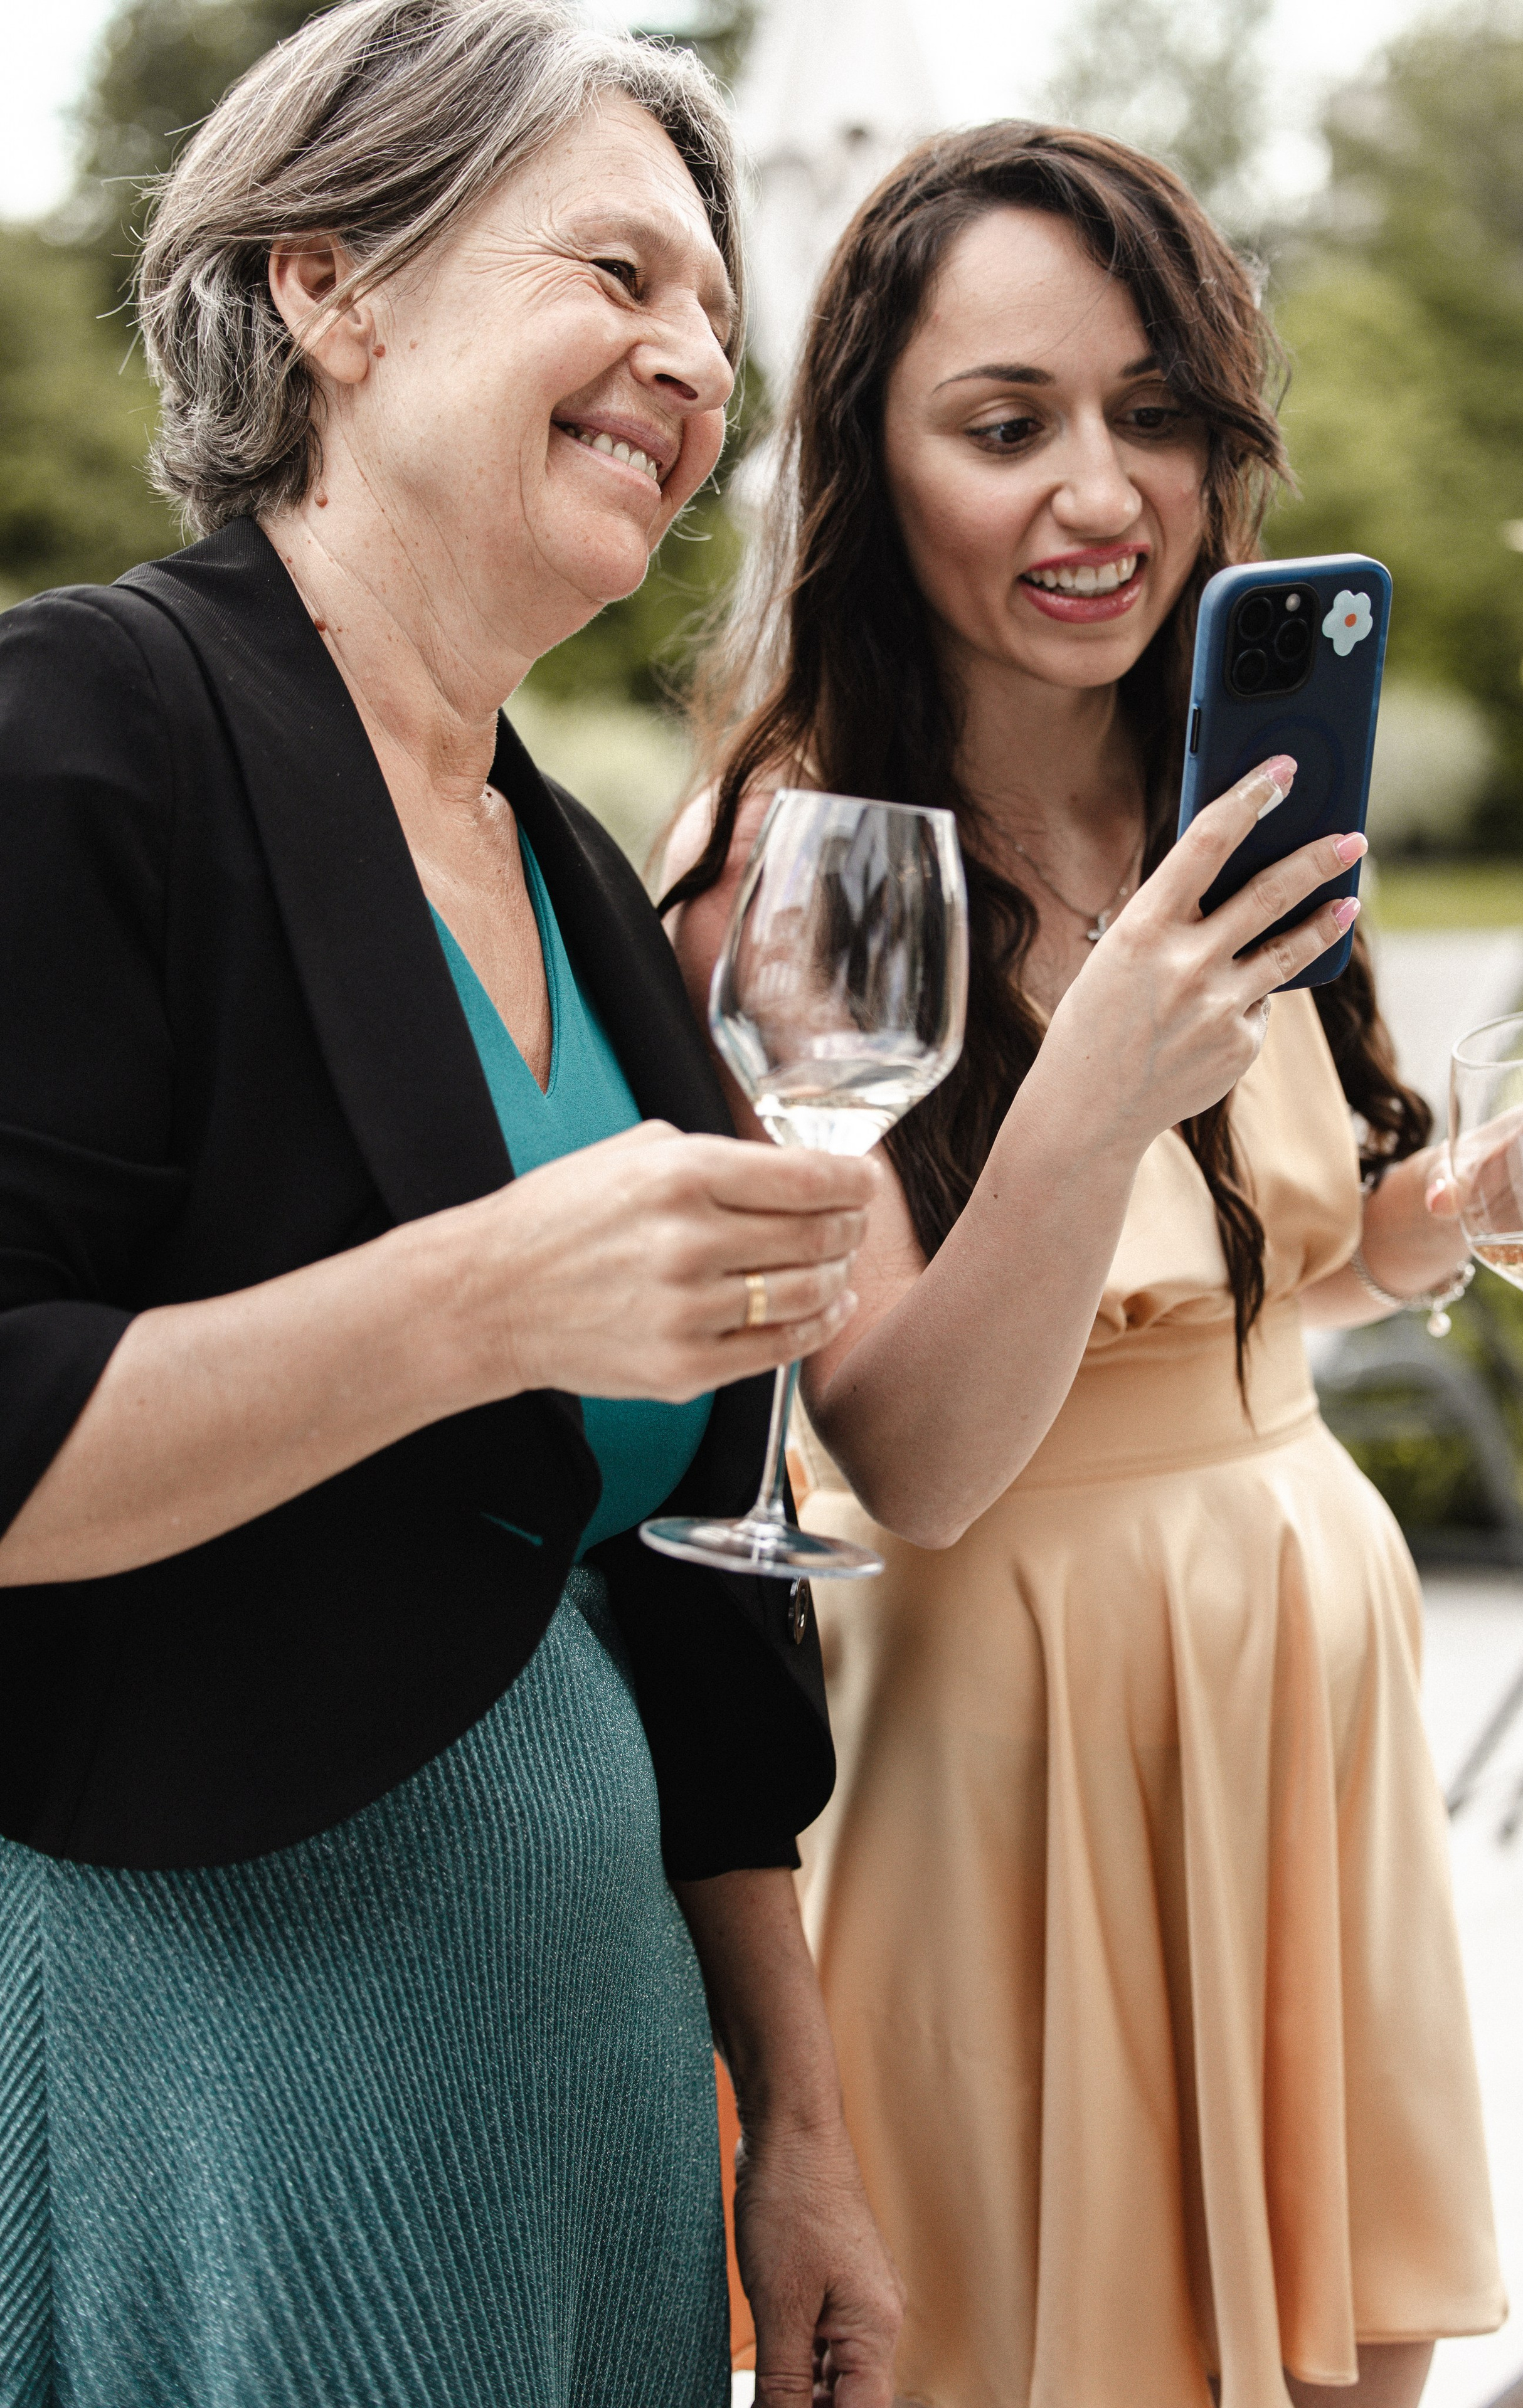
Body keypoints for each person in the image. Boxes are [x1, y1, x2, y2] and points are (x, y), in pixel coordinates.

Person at [0, 5, 906, 2402]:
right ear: (332, 284)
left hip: (598, 2096)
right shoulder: (82, 731)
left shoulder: (578, 872)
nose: (692, 359)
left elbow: (701, 1596)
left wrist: (800, 2120)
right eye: (617, 272)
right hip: (235, 2080)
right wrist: (485, 1298)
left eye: (713, 312)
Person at [667, 122, 1504, 2408]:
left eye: (1152, 413)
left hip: (1299, 1678)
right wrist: (1099, 1071)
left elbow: (1263, 1291)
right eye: (1005, 424)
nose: (1101, 494)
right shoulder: (799, 865)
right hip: (1008, 1728)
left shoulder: (1243, 801)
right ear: (873, 463)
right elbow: (910, 1457)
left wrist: (1467, 1209)